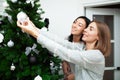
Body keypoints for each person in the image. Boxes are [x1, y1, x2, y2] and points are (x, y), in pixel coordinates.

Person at [17, 18, 111, 80]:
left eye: (90, 29)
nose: (85, 30)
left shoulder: (96, 55)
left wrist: (34, 33)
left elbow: (65, 52)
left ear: (99, 37)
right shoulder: (82, 48)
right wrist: (33, 28)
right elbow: (60, 42)